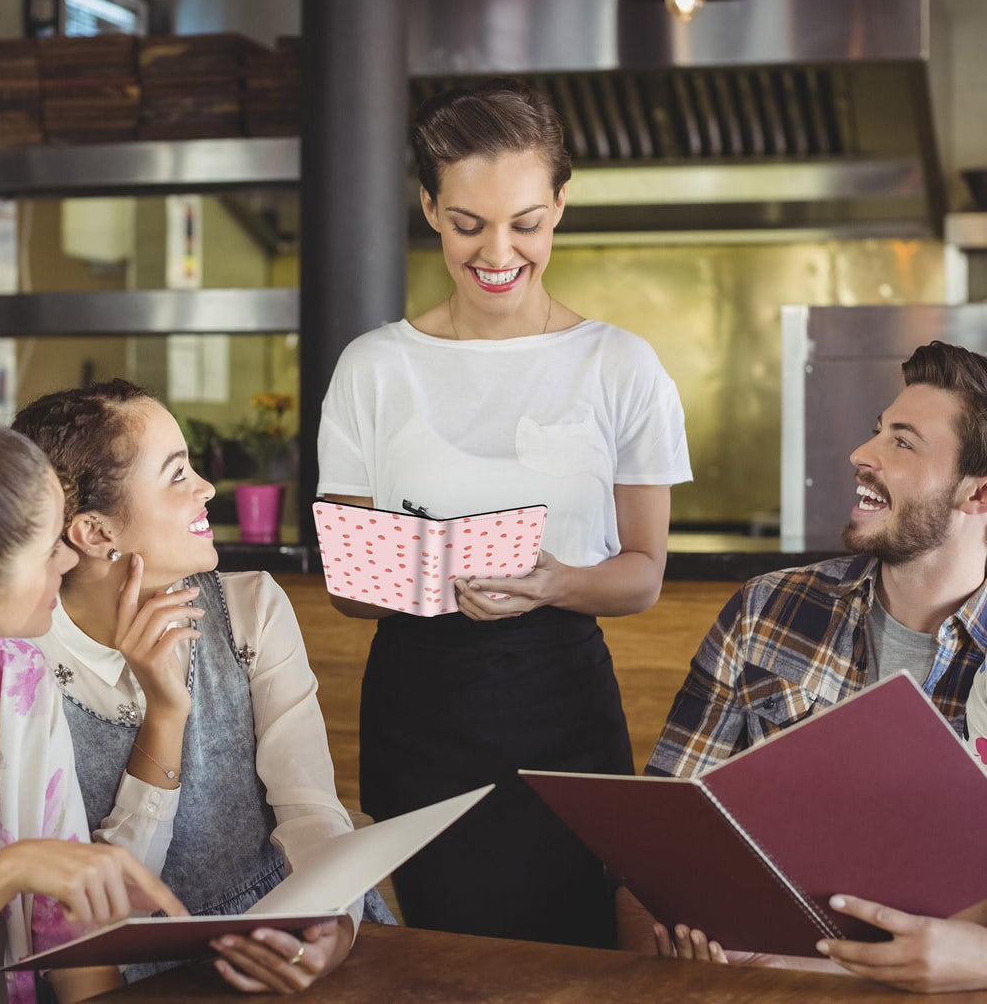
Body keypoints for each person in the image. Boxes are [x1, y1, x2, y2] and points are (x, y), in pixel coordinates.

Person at [317, 78, 692, 948]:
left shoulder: (621, 367)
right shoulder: (374, 368)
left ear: (560, 206)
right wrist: (434, 580)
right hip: (420, 713)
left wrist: (556, 581)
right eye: (466, 223)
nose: (498, 250)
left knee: (581, 953)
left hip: (561, 706)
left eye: (526, 222)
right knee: (449, 957)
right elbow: (346, 583)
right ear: (428, 207)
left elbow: (641, 578)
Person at [626, 340, 987, 987]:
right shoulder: (766, 610)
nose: (861, 455)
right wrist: (683, 940)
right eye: (877, 431)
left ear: (978, 494)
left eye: (902, 443)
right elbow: (650, 852)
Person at [13, 380, 390, 996]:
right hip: (127, 968)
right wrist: (165, 713)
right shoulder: (22, 663)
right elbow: (95, 901)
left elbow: (311, 809)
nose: (207, 488)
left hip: (288, 931)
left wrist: (334, 925)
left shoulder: (253, 607)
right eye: (177, 473)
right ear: (95, 532)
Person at [0, 410, 185, 1004]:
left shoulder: (18, 674)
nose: (67, 560)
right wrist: (15, 868)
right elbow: (37, 867)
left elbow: (70, 929)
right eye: (44, 551)